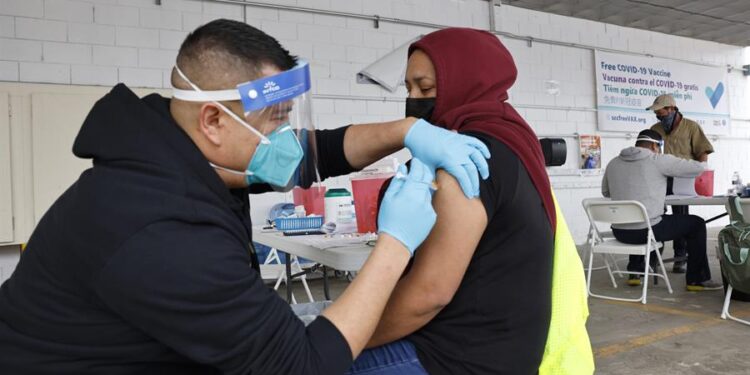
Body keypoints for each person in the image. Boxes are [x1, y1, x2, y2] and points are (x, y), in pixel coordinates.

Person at [0, 20, 492, 374]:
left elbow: (314, 152)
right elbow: (303, 366)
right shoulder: (160, 231)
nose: (287, 137)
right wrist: (395, 242)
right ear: (213, 120)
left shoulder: (170, 151)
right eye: (276, 120)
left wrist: (407, 131)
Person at [346, 28, 593, 375]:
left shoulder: (466, 159)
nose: (414, 99)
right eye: (409, 89)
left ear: (465, 82)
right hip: (504, 346)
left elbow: (428, 295)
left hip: (458, 357)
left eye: (426, 88)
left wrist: (340, 340)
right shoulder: (513, 138)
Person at [601, 129, 721, 291]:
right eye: (659, 147)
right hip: (646, 231)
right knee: (696, 224)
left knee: (642, 218)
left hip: (620, 231)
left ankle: (635, 272)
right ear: (653, 145)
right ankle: (696, 280)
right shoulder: (657, 160)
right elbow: (696, 168)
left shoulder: (613, 163)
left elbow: (606, 192)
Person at [647, 94, 714, 273]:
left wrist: (701, 173)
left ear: (671, 109)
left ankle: (681, 257)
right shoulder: (655, 129)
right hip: (659, 178)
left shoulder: (691, 127)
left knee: (681, 217)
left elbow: (702, 152)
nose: (658, 117)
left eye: (661, 114)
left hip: (683, 180)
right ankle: (653, 258)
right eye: (657, 115)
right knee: (654, 215)